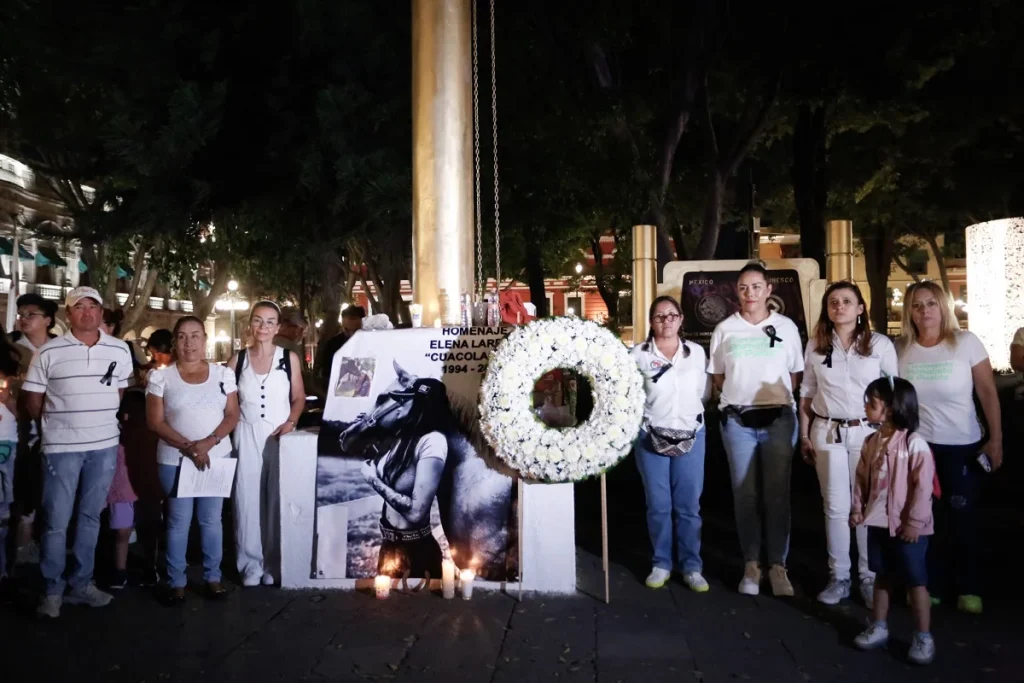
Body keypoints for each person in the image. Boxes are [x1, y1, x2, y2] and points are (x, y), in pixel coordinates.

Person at [24, 286, 133, 618]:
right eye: (79, 307)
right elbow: (33, 401)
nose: (87, 312)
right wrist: (59, 426)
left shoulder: (119, 349)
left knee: (89, 518)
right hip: (61, 448)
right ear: (67, 314)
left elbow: (120, 391)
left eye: (93, 306)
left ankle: (81, 583)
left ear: (101, 312)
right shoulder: (48, 352)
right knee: (56, 521)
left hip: (103, 446)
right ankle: (52, 590)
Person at [897, 281, 1002, 615]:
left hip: (962, 446)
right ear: (909, 312)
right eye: (916, 305)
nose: (924, 310)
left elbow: (987, 392)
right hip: (920, 449)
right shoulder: (902, 350)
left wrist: (996, 439)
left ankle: (969, 587)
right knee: (923, 520)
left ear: (943, 306)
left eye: (930, 303)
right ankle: (930, 585)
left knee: (963, 519)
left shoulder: (966, 342)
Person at [798, 281, 898, 607]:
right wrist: (803, 433)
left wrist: (891, 433)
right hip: (827, 432)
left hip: (868, 433)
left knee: (867, 508)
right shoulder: (816, 344)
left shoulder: (879, 344)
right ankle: (839, 576)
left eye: (846, 301)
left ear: (860, 309)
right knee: (836, 507)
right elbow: (806, 392)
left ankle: (869, 578)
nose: (838, 306)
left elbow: (894, 390)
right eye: (833, 302)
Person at [707, 262, 803, 596]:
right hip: (737, 422)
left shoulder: (786, 327)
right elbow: (718, 377)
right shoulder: (724, 329)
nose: (751, 293)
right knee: (745, 495)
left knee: (777, 495)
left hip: (778, 419)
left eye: (757, 286)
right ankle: (751, 564)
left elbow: (795, 375)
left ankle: (778, 565)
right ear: (737, 291)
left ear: (768, 290)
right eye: (744, 288)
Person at [146, 316, 239, 604]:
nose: (189, 343)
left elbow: (232, 414)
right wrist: (190, 447)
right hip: (175, 460)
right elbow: (155, 421)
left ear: (205, 340)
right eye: (183, 337)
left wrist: (208, 444)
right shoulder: (161, 377)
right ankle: (177, 582)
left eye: (196, 336)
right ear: (175, 341)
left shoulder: (223, 375)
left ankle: (213, 577)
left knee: (211, 520)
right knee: (177, 521)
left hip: (216, 458)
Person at [851, 376, 936, 666]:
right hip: (878, 523)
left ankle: (923, 635)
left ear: (891, 408)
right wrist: (857, 508)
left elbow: (923, 487)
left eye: (871, 402)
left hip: (910, 528)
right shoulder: (870, 442)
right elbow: (861, 479)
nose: (865, 406)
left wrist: (914, 522)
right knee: (882, 576)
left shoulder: (915, 444)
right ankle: (879, 625)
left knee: (916, 582)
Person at [630, 296, 710, 592]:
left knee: (689, 506)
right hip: (650, 435)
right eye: (659, 316)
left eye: (671, 315)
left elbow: (703, 392)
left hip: (691, 434)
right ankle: (661, 562)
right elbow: (628, 393)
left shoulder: (696, 353)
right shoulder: (637, 354)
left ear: (681, 319)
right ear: (651, 321)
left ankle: (692, 566)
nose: (666, 321)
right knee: (659, 505)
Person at [227, 302, 305, 587]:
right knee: (246, 499)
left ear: (278, 326)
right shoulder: (238, 361)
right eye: (258, 321)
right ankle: (249, 563)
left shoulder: (288, 358)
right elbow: (226, 403)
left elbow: (298, 397)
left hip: (278, 435)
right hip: (245, 433)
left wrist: (291, 422)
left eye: (270, 322)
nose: (263, 327)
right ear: (250, 324)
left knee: (276, 498)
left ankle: (274, 562)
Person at [359, 377, 450, 579]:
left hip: (417, 553)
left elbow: (416, 513)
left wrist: (373, 480)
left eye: (405, 400)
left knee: (417, 610)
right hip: (389, 548)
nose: (398, 405)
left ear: (420, 405)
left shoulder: (432, 442)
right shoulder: (402, 438)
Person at [11, 293, 58, 565]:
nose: (24, 318)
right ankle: (21, 548)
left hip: (56, 430)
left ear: (48, 320)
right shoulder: (10, 349)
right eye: (21, 314)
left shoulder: (60, 348)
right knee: (23, 491)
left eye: (31, 314)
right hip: (20, 430)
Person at [0, 325, 24, 581]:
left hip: (5, 442)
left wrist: (8, 400)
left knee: (4, 510)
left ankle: (4, 570)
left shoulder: (13, 372)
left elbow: (25, 415)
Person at [318, 305, 366, 391]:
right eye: (347, 330)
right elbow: (326, 372)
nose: (351, 334)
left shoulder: (370, 342)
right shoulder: (332, 344)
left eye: (355, 330)